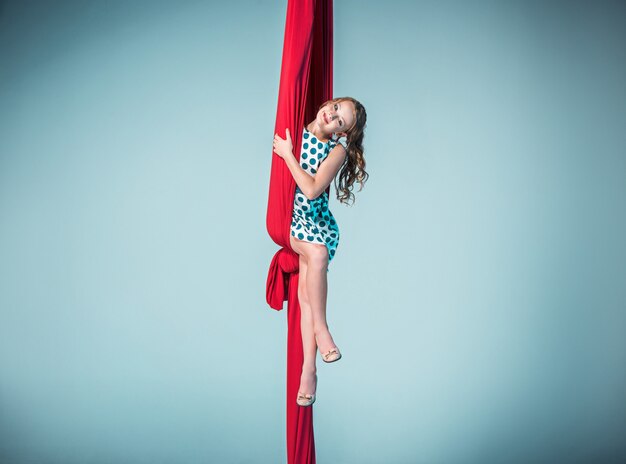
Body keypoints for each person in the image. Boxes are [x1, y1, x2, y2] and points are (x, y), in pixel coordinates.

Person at [272, 97, 368, 407]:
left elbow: (313, 189)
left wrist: (288, 155)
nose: (333, 117)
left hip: (316, 222)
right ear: (330, 101)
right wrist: (288, 152)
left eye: (341, 122)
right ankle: (322, 330)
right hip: (291, 219)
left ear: (342, 133)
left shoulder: (336, 150)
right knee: (317, 256)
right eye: (337, 108)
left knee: (306, 298)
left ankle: (309, 372)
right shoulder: (294, 127)